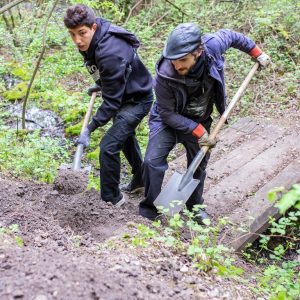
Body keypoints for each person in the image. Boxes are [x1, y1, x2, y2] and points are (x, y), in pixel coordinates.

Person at [139, 23, 270, 222]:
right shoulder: (164, 75)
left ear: (198, 52)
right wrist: (197, 130)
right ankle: (150, 210)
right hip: (167, 121)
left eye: (183, 60)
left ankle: (194, 207)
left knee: (198, 164)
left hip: (200, 117)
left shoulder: (213, 46)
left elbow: (232, 36)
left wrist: (256, 52)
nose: (177, 65)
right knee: (151, 162)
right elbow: (166, 113)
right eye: (173, 60)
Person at [64, 4, 153, 206]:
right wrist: (100, 84)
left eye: (81, 33)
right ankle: (140, 178)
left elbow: (111, 101)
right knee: (125, 135)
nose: (77, 40)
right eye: (72, 34)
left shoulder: (110, 52)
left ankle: (112, 200)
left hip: (137, 100)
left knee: (108, 147)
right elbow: (102, 69)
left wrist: (90, 128)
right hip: (123, 94)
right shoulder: (91, 39)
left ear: (93, 27)